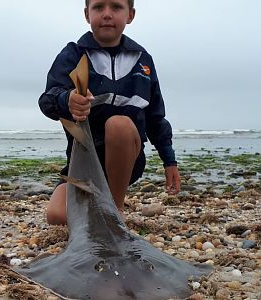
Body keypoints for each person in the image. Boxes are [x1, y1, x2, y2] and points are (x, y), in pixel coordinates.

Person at [39, 0, 181, 225]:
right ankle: (97, 205)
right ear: (87, 14)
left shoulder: (143, 61)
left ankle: (115, 209)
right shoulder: (73, 53)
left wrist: (169, 160)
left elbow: (156, 117)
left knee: (119, 124)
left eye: (116, 7)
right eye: (98, 7)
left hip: (126, 160)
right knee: (56, 216)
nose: (107, 14)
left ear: (130, 15)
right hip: (82, 164)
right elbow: (46, 100)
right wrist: (67, 100)